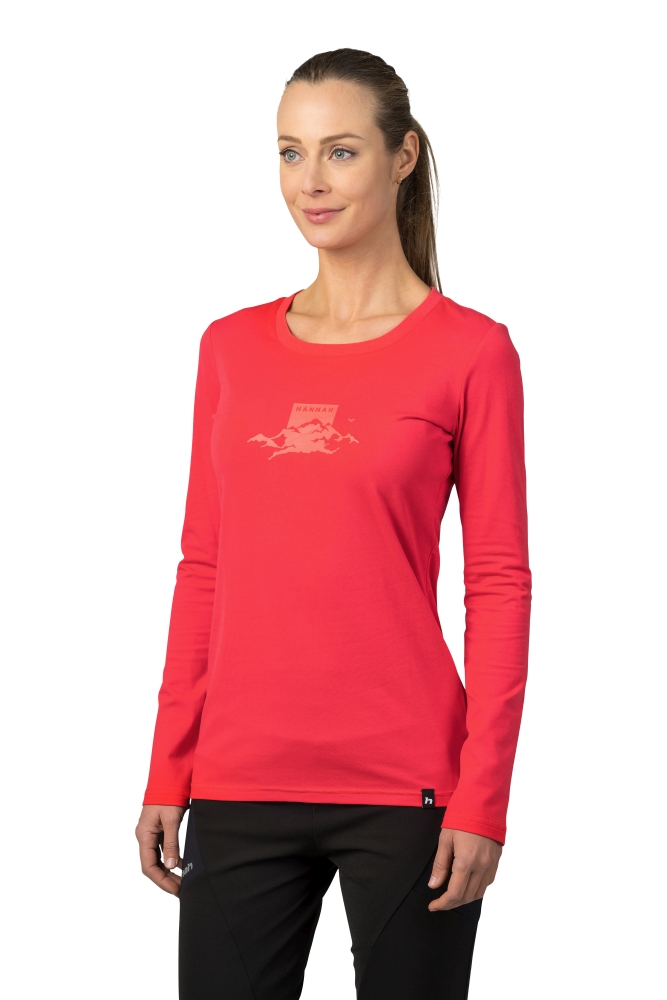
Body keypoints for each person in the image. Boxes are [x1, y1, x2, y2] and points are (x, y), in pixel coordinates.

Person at [136, 47, 531, 1000]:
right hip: (238, 781)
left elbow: (498, 583)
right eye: (290, 152)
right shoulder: (229, 347)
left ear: (403, 157)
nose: (309, 181)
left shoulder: (471, 351)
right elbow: (203, 569)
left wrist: (483, 797)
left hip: (409, 791)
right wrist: (166, 770)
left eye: (340, 151)